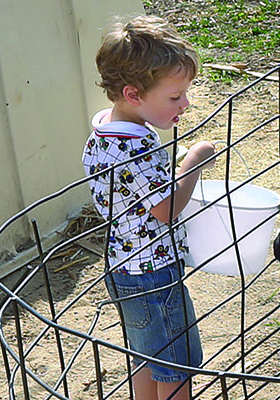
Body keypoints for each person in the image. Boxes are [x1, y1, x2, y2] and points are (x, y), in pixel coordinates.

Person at [82, 15, 214, 400]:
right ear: (134, 94)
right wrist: (194, 160)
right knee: (176, 366)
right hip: (153, 274)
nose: (185, 104)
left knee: (146, 357)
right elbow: (165, 207)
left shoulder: (104, 134)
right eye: (175, 97)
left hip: (124, 266)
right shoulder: (135, 147)